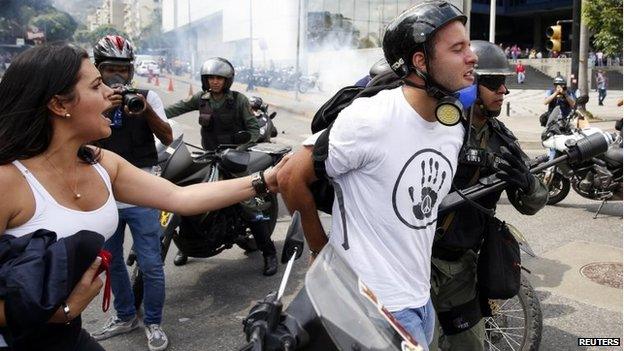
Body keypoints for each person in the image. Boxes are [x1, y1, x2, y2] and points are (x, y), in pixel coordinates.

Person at [0, 44, 285, 351]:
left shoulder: (100, 162)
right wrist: (61, 312)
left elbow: (181, 197)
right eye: (97, 85)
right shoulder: (7, 181)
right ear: (59, 104)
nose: (112, 92)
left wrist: (266, 180)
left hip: (69, 336)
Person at [278, 1, 477, 349]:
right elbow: (291, 176)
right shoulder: (370, 119)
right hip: (372, 306)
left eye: (468, 45)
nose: (472, 56)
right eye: (458, 48)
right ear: (420, 61)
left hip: (419, 298)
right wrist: (320, 249)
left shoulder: (453, 124)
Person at [429, 40, 548, 351]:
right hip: (421, 261)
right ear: (471, 84)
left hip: (463, 268)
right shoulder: (438, 128)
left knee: (470, 344)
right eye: (494, 83)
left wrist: (527, 183)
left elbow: (532, 203)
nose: (503, 92)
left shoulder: (502, 140)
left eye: (504, 83)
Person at [87, 36, 172, 351]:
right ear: (98, 69)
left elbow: (167, 135)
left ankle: (153, 322)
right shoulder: (88, 99)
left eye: (123, 69)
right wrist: (101, 106)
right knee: (111, 261)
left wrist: (145, 109)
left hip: (142, 193)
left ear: (131, 70)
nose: (117, 77)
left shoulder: (147, 96)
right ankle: (125, 316)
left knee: (150, 262)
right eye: (109, 69)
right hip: (102, 193)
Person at [165, 57, 278, 276]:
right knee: (188, 196)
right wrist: (152, 114)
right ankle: (188, 248)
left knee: (248, 202)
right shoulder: (202, 98)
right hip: (208, 155)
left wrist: (241, 147)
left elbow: (254, 129)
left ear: (227, 81)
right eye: (211, 78)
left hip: (233, 158)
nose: (215, 82)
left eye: (219, 78)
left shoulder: (238, 100)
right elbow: (175, 109)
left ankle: (269, 252)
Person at [543, 75, 575, 160]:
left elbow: (573, 104)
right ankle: (550, 164)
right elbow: (545, 102)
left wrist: (565, 94)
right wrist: (555, 93)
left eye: (561, 85)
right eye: (557, 85)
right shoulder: (550, 91)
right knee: (553, 144)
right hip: (553, 122)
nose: (559, 86)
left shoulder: (568, 92)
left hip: (565, 122)